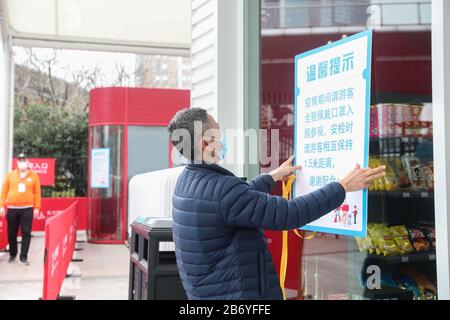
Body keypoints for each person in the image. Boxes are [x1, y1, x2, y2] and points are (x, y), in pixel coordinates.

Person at [168, 108, 385, 300]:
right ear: (205, 143)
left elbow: (238, 201)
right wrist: (342, 186)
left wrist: (273, 176)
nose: (223, 139)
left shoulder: (186, 181)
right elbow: (289, 214)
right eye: (217, 132)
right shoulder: (223, 190)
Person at [0, 153, 41, 265]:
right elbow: (4, 191)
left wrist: (37, 208)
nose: (22, 163)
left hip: (27, 208)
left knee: (26, 233)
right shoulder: (10, 175)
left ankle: (23, 257)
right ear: (17, 163)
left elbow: (37, 193)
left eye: (24, 160)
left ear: (28, 162)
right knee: (11, 233)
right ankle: (13, 254)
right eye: (20, 161)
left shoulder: (34, 176)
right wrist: (1, 206)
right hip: (12, 209)